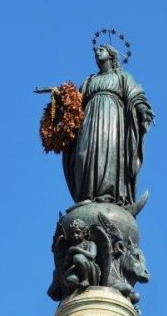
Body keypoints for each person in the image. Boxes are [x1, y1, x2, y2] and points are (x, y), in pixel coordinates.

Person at [62, 45, 154, 206]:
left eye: (101, 49)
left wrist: (142, 110)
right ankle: (86, 193)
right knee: (83, 153)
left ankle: (107, 194)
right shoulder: (89, 80)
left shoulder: (122, 76)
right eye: (96, 50)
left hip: (112, 118)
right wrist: (61, 96)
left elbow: (135, 95)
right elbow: (75, 104)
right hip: (89, 119)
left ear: (111, 55)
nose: (97, 52)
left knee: (109, 151)